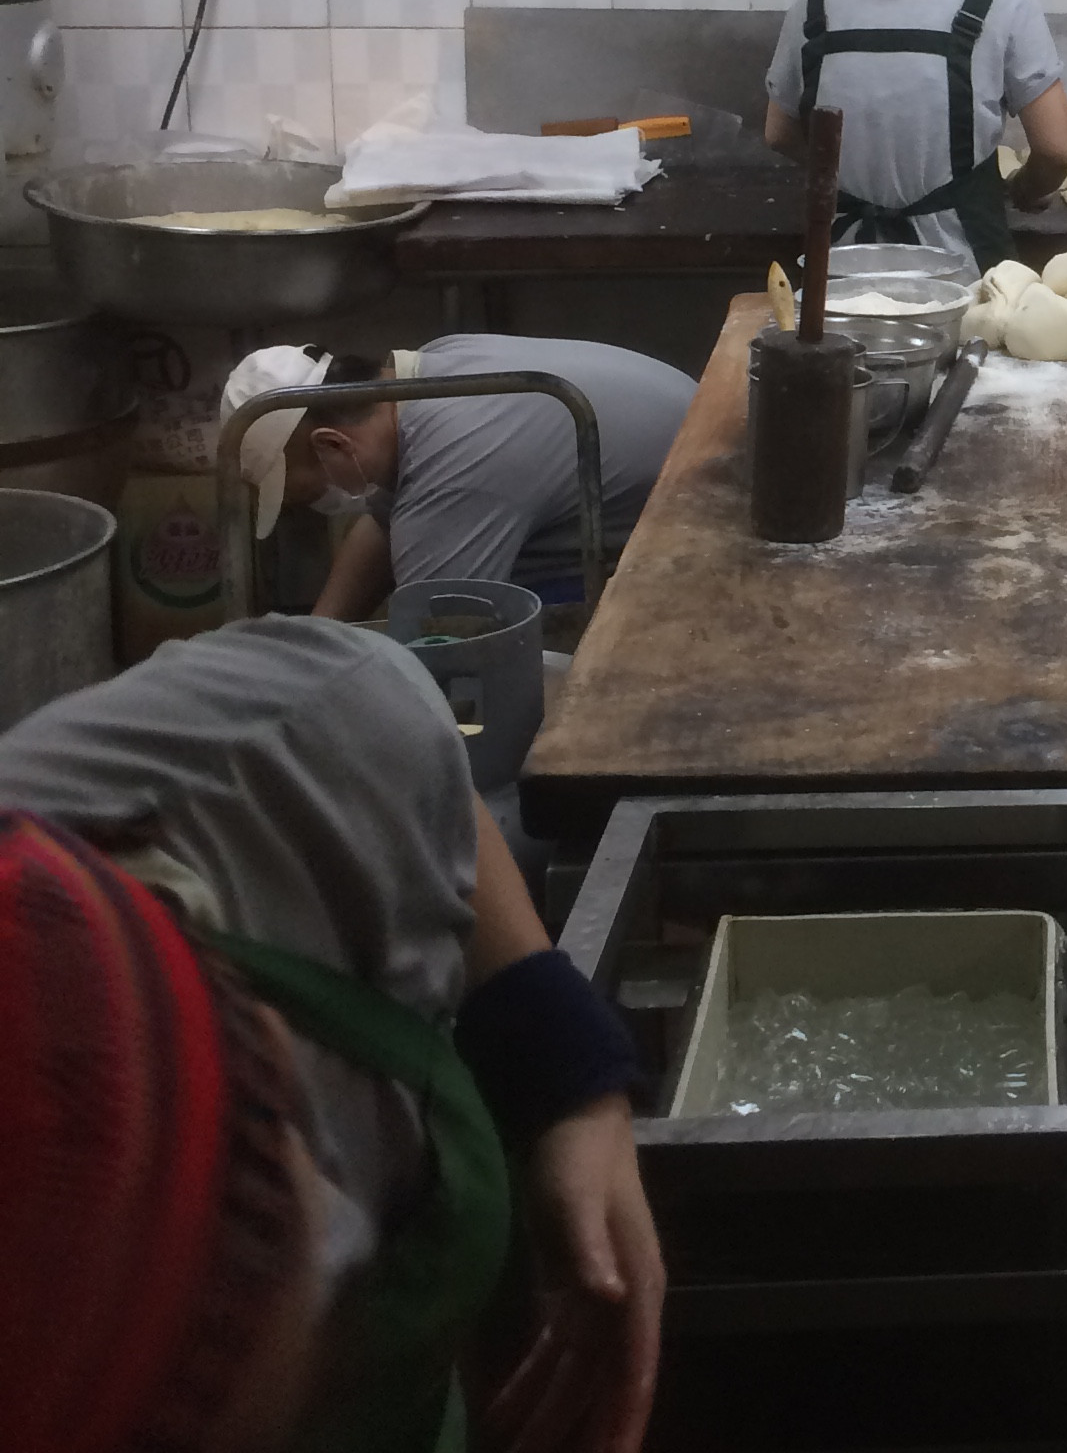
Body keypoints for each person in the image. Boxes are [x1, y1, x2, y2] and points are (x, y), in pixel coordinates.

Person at [0, 610, 663, 1452]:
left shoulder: (225, 763)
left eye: (291, 1181)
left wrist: (566, 1073)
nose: (339, 1247)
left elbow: (408, 764)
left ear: (260, 1034)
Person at [223, 334, 697, 626]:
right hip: (681, 482)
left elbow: (441, 640)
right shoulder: (431, 372)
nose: (321, 503)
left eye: (310, 491)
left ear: (332, 444)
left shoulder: (455, 469)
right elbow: (387, 521)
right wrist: (319, 636)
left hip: (695, 551)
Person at [763, 0, 1067, 276]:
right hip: (963, 271)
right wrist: (1023, 191)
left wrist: (857, 177)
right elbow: (1057, 149)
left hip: (844, 269)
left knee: (844, 324)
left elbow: (779, 133)